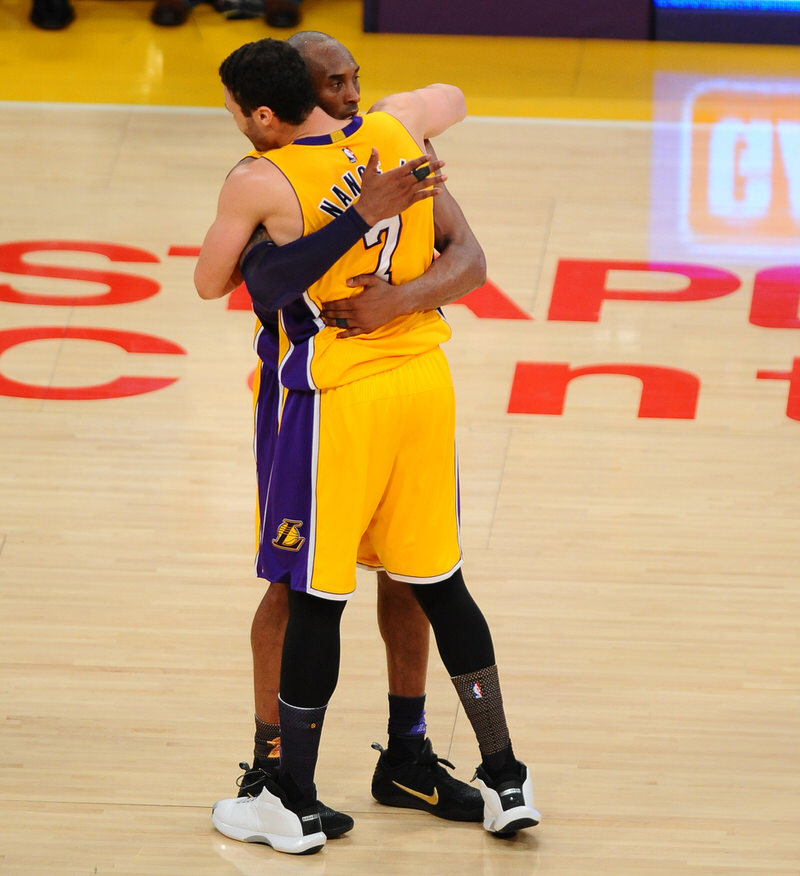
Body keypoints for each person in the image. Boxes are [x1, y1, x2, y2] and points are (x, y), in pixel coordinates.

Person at [196, 38, 539, 855]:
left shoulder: (261, 177)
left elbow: (219, 284)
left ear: (266, 112)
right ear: (322, 92)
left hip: (333, 398)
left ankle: (289, 794)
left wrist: (357, 223)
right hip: (423, 385)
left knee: (310, 592)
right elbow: (447, 97)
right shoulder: (393, 136)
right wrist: (405, 129)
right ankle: (505, 774)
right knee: (436, 582)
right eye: (339, 83)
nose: (353, 92)